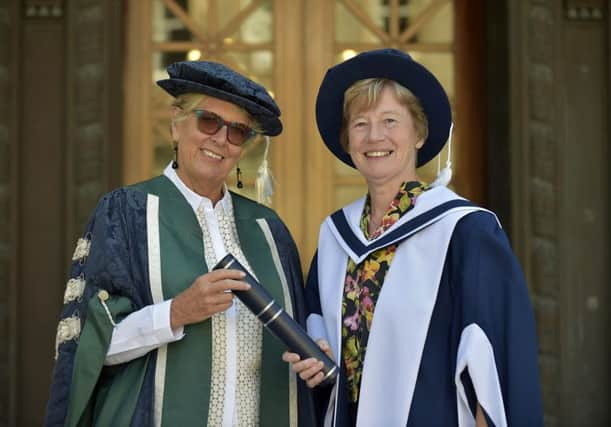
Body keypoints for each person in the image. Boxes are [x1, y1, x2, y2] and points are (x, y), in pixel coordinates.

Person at [45, 60, 316, 426]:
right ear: (176, 123)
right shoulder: (127, 213)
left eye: (238, 131)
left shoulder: (268, 229)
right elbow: (89, 348)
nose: (221, 138)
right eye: (208, 121)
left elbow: (296, 339)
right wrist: (175, 312)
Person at [283, 49, 543, 426]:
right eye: (360, 124)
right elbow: (318, 336)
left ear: (419, 133)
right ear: (347, 140)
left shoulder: (465, 232)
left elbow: (493, 364)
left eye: (390, 121)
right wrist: (314, 359)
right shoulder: (337, 237)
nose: (375, 136)